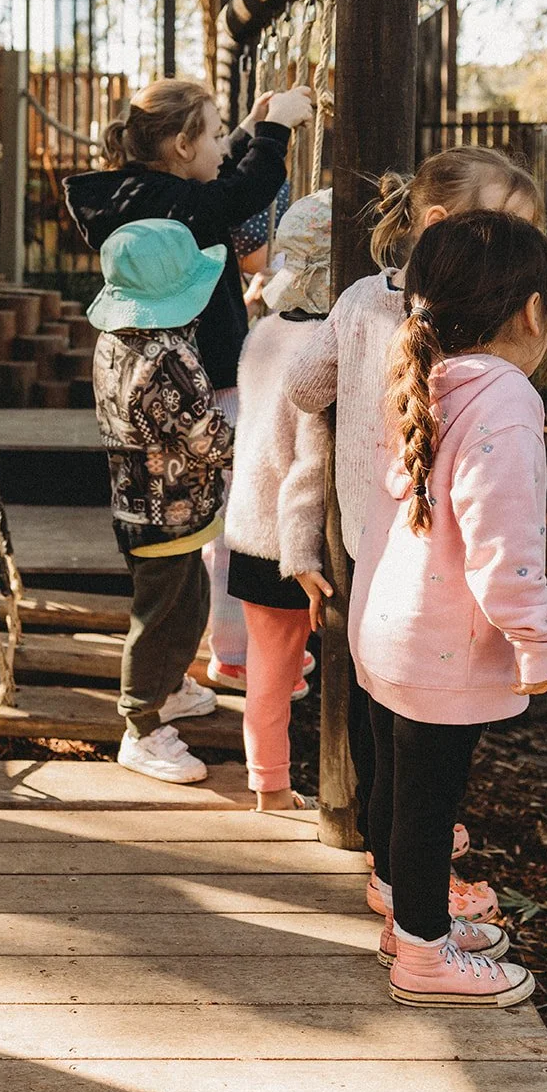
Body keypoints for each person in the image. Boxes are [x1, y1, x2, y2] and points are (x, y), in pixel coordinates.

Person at [284, 147, 544, 922]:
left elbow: (304, 386)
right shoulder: (470, 334)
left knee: (383, 706)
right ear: (442, 226)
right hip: (436, 545)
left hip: (377, 540)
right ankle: (403, 873)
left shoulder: (366, 302)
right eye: (503, 230)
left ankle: (393, 855)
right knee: (421, 731)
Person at [355, 210, 547, 1006]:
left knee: (396, 793)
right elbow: (503, 548)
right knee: (426, 804)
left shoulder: (424, 378)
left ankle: (405, 920)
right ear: (531, 313)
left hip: (390, 630)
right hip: (442, 645)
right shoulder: (504, 399)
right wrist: (536, 643)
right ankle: (423, 958)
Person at [65, 76, 314, 679]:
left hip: (196, 383)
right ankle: (237, 650)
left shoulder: (142, 197)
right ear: (180, 144)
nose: (225, 145)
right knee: (235, 517)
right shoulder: (175, 205)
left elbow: (221, 181)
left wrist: (250, 131)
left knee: (215, 524)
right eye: (215, 133)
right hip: (202, 384)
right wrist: (276, 129)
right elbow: (245, 190)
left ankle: (224, 645)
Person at [87, 217, 235, 784]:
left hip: (142, 504)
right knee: (158, 618)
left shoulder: (115, 342)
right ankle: (140, 725)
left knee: (187, 602)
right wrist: (256, 446)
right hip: (169, 509)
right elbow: (206, 438)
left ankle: (169, 689)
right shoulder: (168, 361)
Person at [224, 190, 334, 810]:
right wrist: (303, 558)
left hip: (247, 524)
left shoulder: (264, 332)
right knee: (280, 669)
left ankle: (266, 777)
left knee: (274, 667)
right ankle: (272, 785)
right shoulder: (320, 351)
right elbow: (308, 464)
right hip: (287, 540)